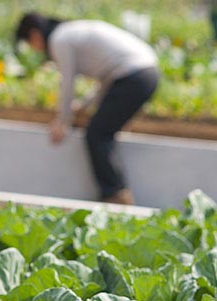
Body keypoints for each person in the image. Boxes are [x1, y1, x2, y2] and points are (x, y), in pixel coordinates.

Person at [15, 12, 159, 205]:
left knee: (97, 134)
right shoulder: (70, 33)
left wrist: (63, 121)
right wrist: (83, 106)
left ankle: (115, 196)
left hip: (135, 75)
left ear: (34, 35)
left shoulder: (60, 39)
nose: (34, 49)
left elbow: (67, 83)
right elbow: (107, 79)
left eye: (30, 44)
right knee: (102, 130)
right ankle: (116, 193)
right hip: (145, 72)